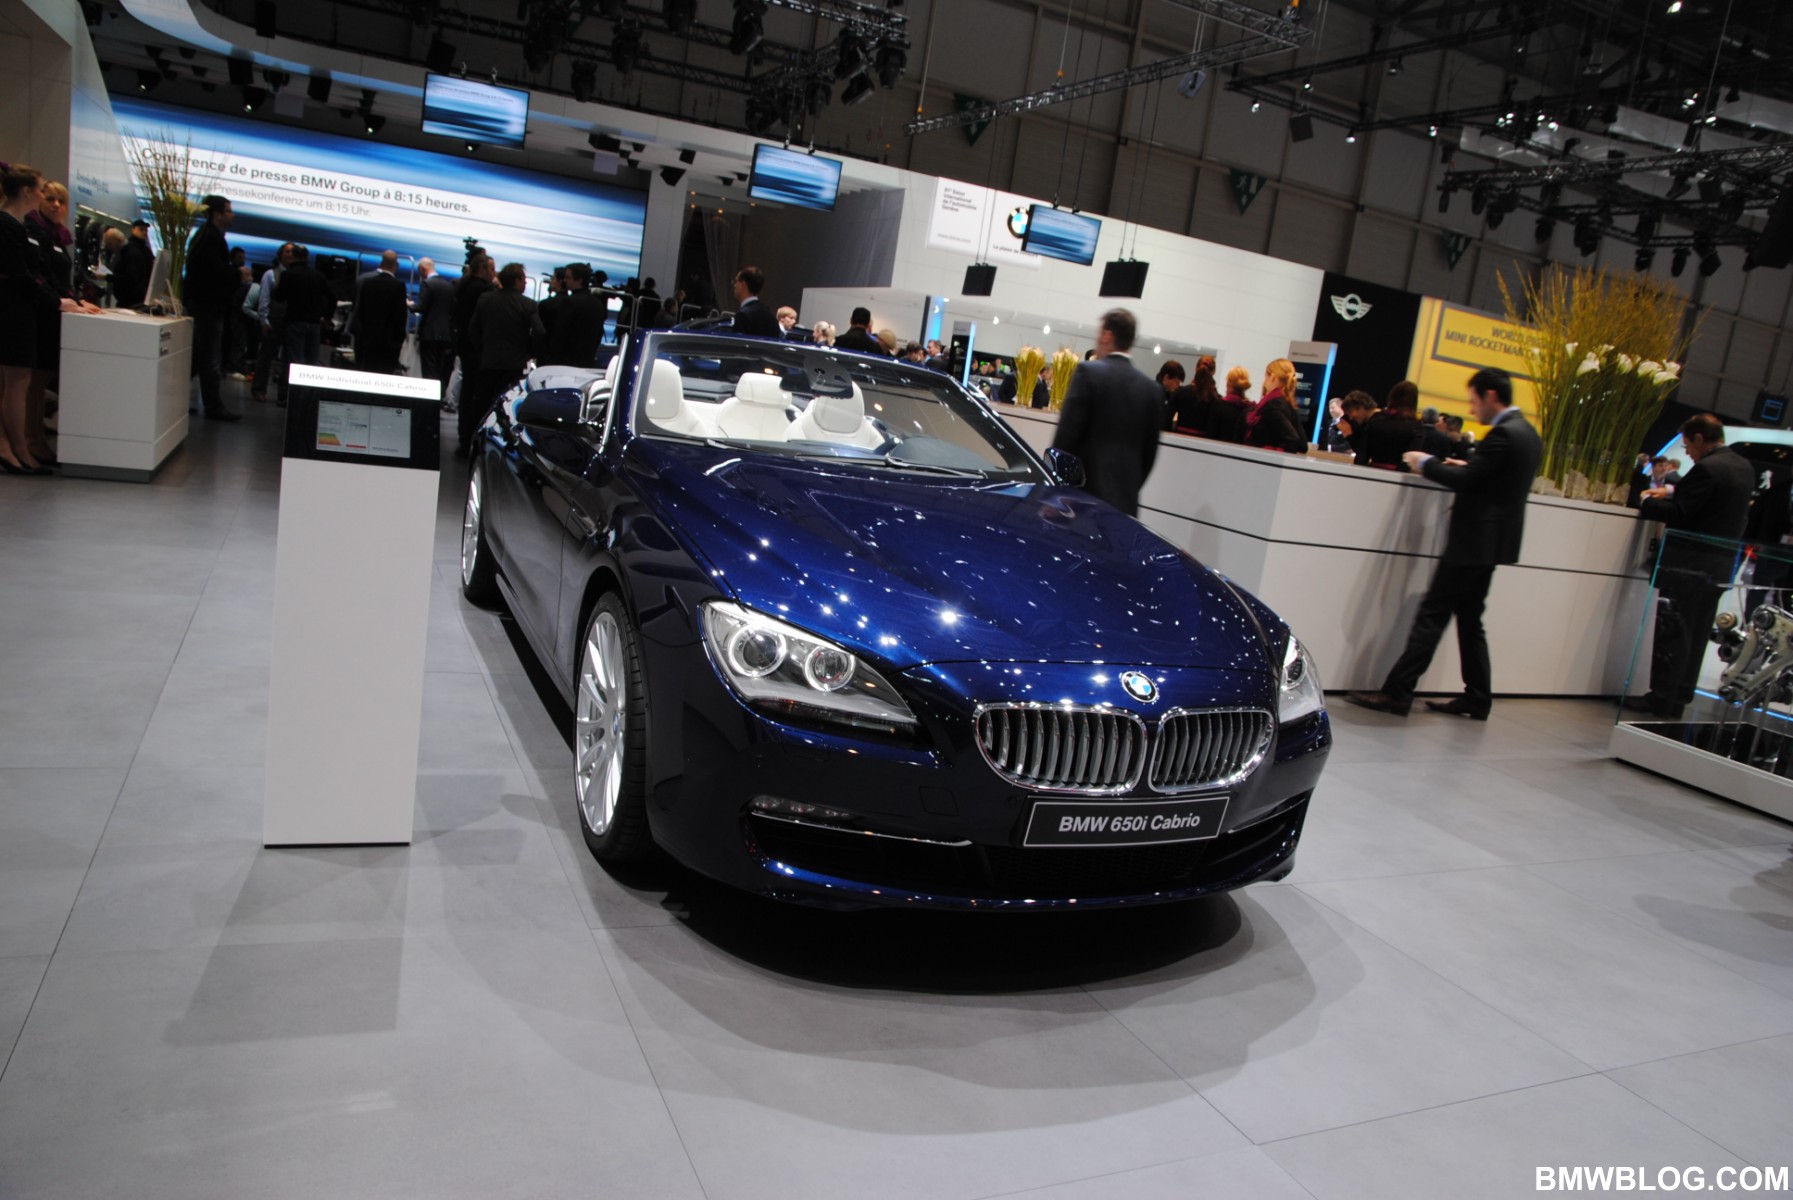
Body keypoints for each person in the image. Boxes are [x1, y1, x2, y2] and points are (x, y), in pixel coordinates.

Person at [1347, 367, 1542, 719]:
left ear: (1490, 396)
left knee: (1432, 615)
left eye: (1474, 400)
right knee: (1470, 619)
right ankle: (1478, 697)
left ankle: (1397, 693)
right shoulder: (1527, 433)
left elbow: (1467, 481)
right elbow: (1492, 477)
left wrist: (1426, 463)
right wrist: (1464, 464)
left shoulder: (1503, 434)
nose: (1471, 408)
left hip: (1473, 540)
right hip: (1494, 543)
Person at [1625, 414, 1755, 718]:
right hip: (1719, 565)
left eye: (1687, 446)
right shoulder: (1742, 466)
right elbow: (1711, 501)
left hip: (1689, 564)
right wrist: (1671, 492)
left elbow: (1682, 513)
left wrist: (1646, 501)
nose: (1687, 453)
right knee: (1696, 636)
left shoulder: (1707, 468)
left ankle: (1662, 697)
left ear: (1699, 438)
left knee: (1674, 633)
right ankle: (1679, 696)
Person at [1050, 308, 1162, 516]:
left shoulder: (1088, 373)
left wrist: (1055, 496)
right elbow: (1149, 455)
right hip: (1125, 506)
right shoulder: (1152, 390)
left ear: (1107, 335)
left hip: (1081, 502)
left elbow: (1066, 440)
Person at [0, 162, 73, 474]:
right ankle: (16, 448)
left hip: (24, 310)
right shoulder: (10, 225)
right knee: (17, 384)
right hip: (13, 312)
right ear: (27, 191)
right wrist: (56, 301)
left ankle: (19, 446)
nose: (47, 198)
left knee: (21, 382)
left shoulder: (17, 225)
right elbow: (22, 274)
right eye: (43, 191)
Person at [462, 262, 545, 459]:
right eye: (523, 280)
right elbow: (540, 333)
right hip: (514, 364)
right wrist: (529, 352)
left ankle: (468, 445)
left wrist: (482, 350)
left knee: (480, 406)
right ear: (516, 281)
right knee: (506, 409)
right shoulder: (528, 304)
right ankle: (501, 451)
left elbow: (473, 330)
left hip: (488, 361)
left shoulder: (486, 299)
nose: (525, 283)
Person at [182, 194, 241, 421]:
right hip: (207, 307)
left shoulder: (205, 236)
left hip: (204, 305)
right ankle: (213, 406)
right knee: (209, 358)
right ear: (217, 213)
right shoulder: (211, 238)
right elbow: (215, 274)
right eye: (228, 210)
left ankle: (184, 401)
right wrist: (237, 275)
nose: (232, 215)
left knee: (199, 357)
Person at [272, 245, 335, 403]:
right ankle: (308, 397)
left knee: (294, 360)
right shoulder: (318, 276)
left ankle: (290, 396)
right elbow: (332, 297)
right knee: (312, 361)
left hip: (294, 320)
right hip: (314, 322)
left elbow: (279, 297)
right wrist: (327, 317)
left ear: (293, 256)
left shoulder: (288, 275)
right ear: (308, 257)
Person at [250, 241, 295, 404]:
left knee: (288, 359)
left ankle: (284, 393)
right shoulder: (270, 274)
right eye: (287, 251)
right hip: (273, 319)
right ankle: (258, 389)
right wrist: (264, 320)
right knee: (266, 356)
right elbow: (264, 298)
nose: (290, 255)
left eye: (292, 252)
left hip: (290, 321)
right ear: (280, 255)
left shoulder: (295, 275)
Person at [351, 250, 408, 373]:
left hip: (368, 339)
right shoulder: (399, 286)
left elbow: (361, 310)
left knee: (367, 372)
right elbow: (400, 316)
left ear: (381, 263)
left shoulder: (368, 282)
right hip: (388, 342)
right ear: (396, 265)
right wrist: (400, 339)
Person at [540, 262, 604, 367]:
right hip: (587, 360)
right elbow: (599, 334)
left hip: (566, 361)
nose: (565, 280)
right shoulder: (598, 304)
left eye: (568, 277)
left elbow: (560, 333)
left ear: (579, 280)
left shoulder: (569, 302)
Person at [1350, 381, 1426, 470]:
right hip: (1397, 475)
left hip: (1371, 472)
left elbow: (1362, 455)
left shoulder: (1375, 420)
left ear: (1391, 396)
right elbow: (1409, 460)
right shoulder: (1416, 427)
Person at [1245, 358, 1307, 454]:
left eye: (1266, 376)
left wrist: (1277, 457)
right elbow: (1303, 445)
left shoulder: (1273, 405)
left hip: (1263, 459)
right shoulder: (1289, 404)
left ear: (1273, 377)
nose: (1264, 382)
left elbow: (1292, 438)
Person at [414, 257, 456, 391]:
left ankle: (428, 398)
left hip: (429, 333)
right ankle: (438, 396)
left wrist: (409, 304)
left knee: (428, 370)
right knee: (439, 370)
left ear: (423, 269)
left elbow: (420, 307)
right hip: (445, 334)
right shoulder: (448, 285)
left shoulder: (427, 284)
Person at [111, 219, 155, 309]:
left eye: (145, 230)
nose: (144, 232)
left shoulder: (145, 249)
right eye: (141, 229)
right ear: (133, 229)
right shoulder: (130, 248)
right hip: (130, 296)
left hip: (139, 296)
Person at [1166, 362, 1218, 434]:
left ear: (1195, 376)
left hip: (1180, 434)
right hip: (1201, 438)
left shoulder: (1181, 392)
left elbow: (1168, 416)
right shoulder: (1214, 398)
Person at [730, 265, 780, 338]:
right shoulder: (771, 317)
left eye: (736, 280)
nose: (734, 285)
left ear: (743, 284)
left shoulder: (743, 316)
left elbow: (737, 343)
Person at [1155, 360, 1185, 426]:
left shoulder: (1170, 395)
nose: (1178, 385)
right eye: (1176, 381)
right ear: (1166, 378)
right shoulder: (1154, 394)